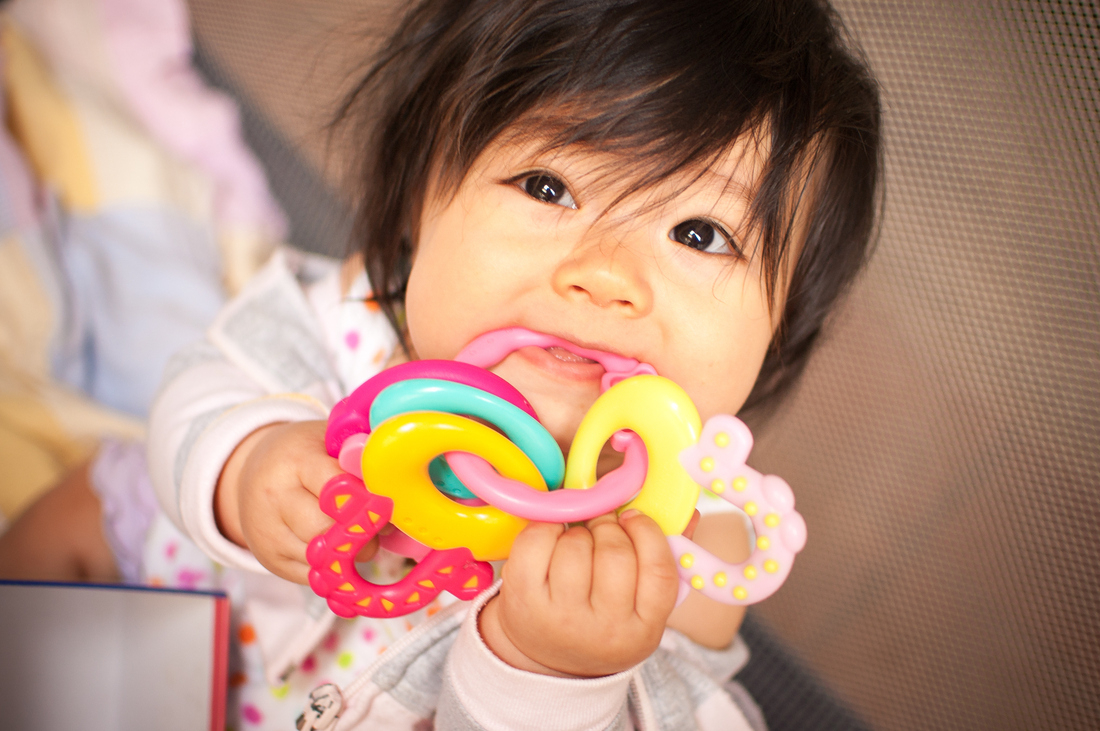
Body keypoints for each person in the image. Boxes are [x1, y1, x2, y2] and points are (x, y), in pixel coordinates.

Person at [145, 0, 882, 728]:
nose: (604, 274)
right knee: (88, 507)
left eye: (699, 232)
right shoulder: (355, 317)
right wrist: (242, 466)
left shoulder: (695, 546)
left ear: (779, 330)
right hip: (184, 642)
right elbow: (199, 386)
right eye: (548, 187)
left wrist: (559, 677)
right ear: (419, 204)